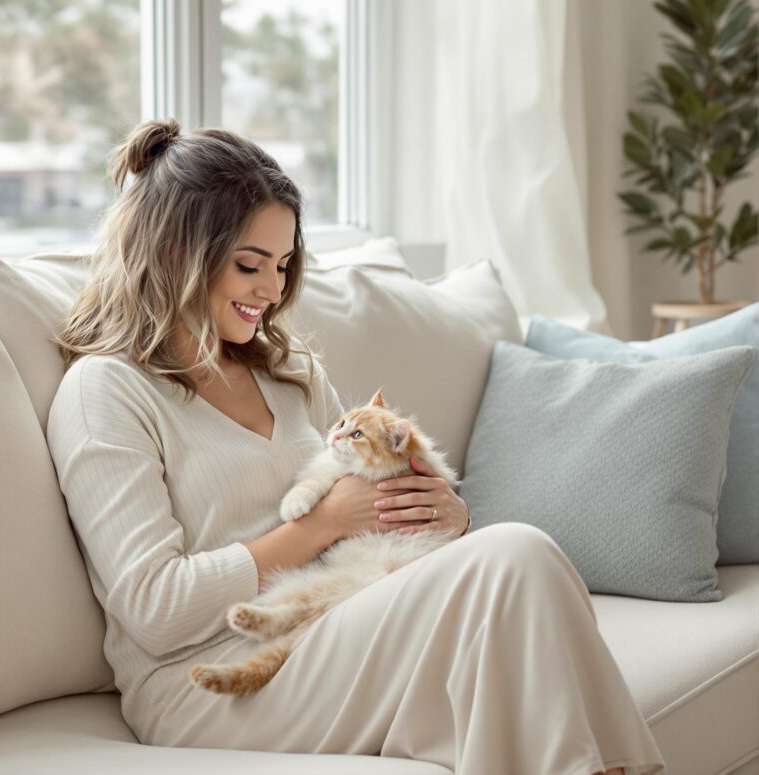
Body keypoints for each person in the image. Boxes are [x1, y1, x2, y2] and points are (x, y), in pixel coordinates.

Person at [46, 118, 664, 775]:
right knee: (516, 557)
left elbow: (369, 514)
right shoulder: (106, 391)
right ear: (177, 252)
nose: (272, 291)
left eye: (282, 266)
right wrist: (321, 523)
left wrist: (444, 517)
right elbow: (154, 609)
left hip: (334, 619)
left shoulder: (288, 374)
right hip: (210, 678)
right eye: (250, 265)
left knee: (519, 567)